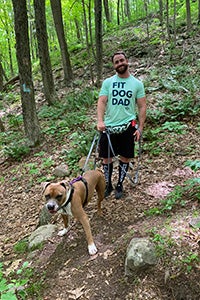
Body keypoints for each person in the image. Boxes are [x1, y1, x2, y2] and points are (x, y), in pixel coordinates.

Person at [97, 51, 146, 199]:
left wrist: (140, 128)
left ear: (127, 61)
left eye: (121, 60)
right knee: (106, 158)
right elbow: (102, 101)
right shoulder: (108, 83)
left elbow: (142, 106)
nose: (120, 63)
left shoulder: (137, 84)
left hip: (127, 126)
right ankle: (108, 184)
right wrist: (100, 120)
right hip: (109, 127)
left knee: (125, 157)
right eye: (116, 62)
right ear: (114, 66)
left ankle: (119, 184)